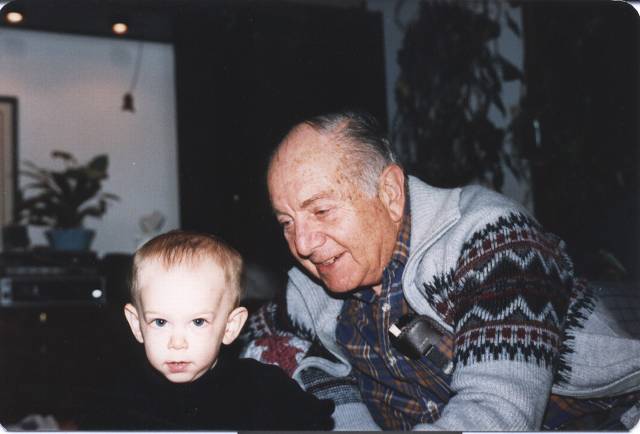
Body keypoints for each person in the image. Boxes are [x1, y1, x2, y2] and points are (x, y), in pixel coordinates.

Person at [242, 110, 640, 431]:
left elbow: (498, 414)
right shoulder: (313, 288)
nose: (302, 244)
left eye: (321, 210)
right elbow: (236, 330)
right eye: (287, 223)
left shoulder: (492, 239)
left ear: (390, 193)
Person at [81, 230, 334, 431]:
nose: (177, 342)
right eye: (160, 322)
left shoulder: (263, 389)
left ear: (230, 327)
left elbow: (316, 423)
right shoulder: (115, 397)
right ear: (137, 325)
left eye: (198, 322)